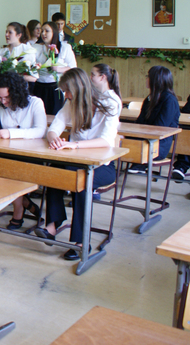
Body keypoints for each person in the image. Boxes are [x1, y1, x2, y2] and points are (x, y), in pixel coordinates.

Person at [37, 68, 121, 261]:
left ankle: (81, 241)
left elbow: (106, 141)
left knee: (82, 183)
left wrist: (74, 145)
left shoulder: (110, 103)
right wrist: (54, 139)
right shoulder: (71, 103)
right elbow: (54, 128)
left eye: (68, 91)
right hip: (75, 162)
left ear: (79, 89)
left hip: (102, 166)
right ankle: (52, 225)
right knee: (55, 172)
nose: (66, 95)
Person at [0, 72, 47, 230]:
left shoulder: (35, 103)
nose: (3, 101)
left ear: (17, 94)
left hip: (30, 155)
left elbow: (40, 131)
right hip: (8, 153)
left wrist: (11, 133)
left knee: (10, 173)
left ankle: (18, 210)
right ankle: (24, 201)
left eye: (7, 98)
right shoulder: (0, 105)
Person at [129, 66, 180, 174]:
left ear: (156, 80)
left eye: (148, 76)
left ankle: (139, 164)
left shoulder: (169, 100)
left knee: (127, 145)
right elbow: (139, 122)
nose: (146, 79)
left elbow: (160, 127)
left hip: (158, 145)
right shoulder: (149, 98)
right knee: (121, 140)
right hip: (145, 139)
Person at [31, 21, 76, 114]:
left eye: (47, 31)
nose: (43, 34)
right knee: (38, 114)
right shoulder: (36, 47)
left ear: (54, 32)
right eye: (42, 31)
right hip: (39, 86)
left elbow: (73, 67)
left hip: (56, 87)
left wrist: (58, 69)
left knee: (54, 114)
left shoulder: (65, 47)